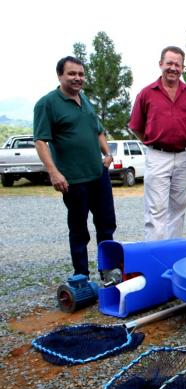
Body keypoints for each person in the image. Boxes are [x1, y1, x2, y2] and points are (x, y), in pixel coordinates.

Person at [33, 56, 116, 277]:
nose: (77, 78)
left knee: (107, 226)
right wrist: (53, 172)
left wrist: (107, 154)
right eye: (72, 74)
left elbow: (98, 130)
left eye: (80, 74)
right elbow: (41, 141)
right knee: (79, 230)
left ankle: (108, 274)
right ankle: (82, 277)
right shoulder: (47, 103)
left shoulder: (85, 99)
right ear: (60, 75)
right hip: (73, 180)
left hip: (99, 176)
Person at [129, 46, 186, 242]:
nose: (173, 68)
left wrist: (179, 137)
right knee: (155, 209)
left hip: (184, 156)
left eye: (177, 64)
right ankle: (154, 256)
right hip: (157, 155)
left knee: (179, 207)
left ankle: (172, 255)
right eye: (169, 63)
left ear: (183, 68)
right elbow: (136, 126)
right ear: (161, 64)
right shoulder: (146, 93)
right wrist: (153, 141)